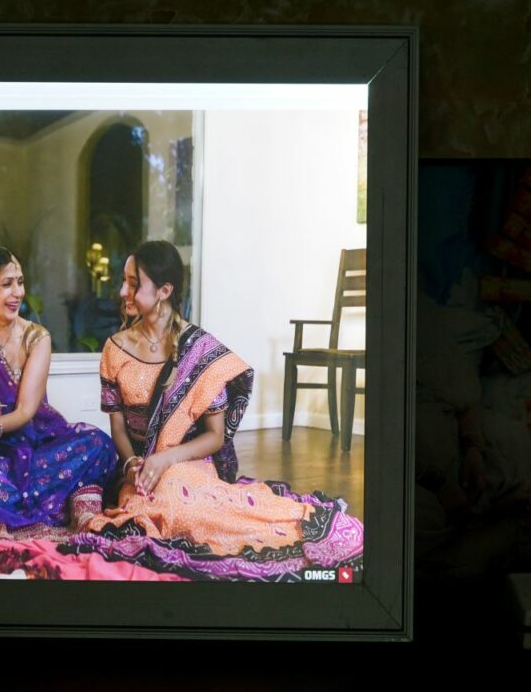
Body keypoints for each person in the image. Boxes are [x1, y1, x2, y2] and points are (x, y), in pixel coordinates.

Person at [65, 241, 363, 580]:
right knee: (142, 510)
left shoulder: (200, 350)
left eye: (134, 283)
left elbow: (215, 437)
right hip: (140, 470)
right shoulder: (114, 349)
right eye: (124, 280)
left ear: (165, 290)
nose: (122, 291)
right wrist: (133, 462)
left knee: (174, 495)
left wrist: (166, 459)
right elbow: (117, 426)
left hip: (188, 465)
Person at [0, 247, 117, 533]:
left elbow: (26, 410)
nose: (17, 292)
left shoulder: (36, 338)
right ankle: (54, 499)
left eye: (20, 282)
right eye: (6, 284)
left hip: (39, 443)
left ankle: (14, 501)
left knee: (99, 444)